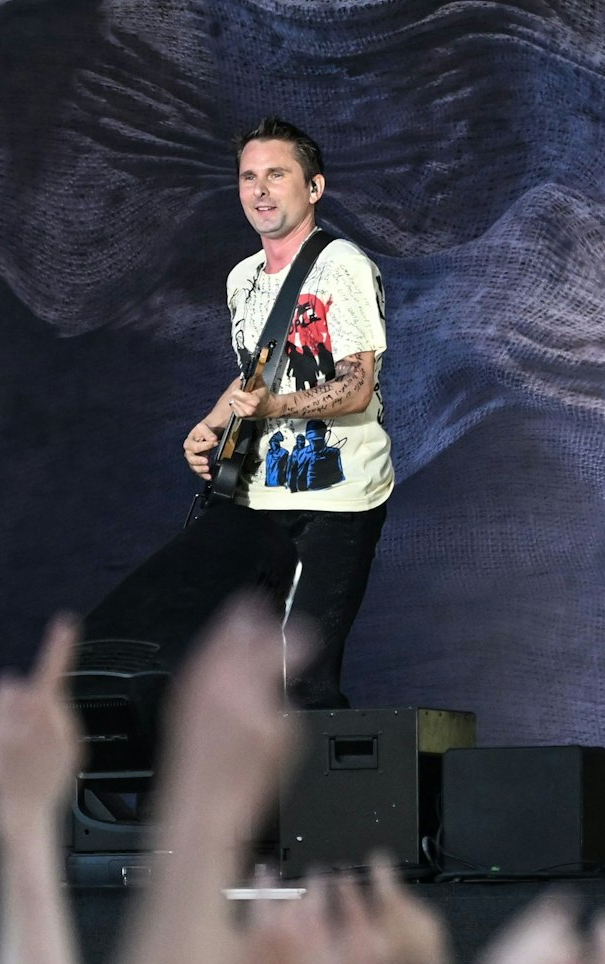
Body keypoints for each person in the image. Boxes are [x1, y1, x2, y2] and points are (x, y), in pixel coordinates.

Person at [183, 117, 392, 710]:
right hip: (260, 498)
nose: (261, 190)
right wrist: (211, 424)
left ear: (315, 188)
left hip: (337, 499)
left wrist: (276, 407)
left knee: (302, 679)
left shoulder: (341, 265)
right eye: (249, 177)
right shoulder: (241, 280)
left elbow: (355, 385)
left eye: (277, 174)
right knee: (248, 684)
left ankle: (326, 803)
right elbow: (258, 374)